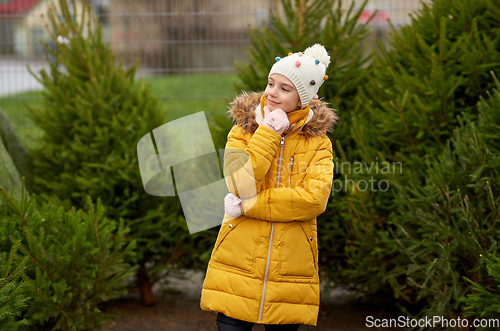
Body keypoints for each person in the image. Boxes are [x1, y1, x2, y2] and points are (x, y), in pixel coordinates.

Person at [200, 44, 338, 330]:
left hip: (290, 268)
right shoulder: (244, 129)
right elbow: (240, 184)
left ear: (304, 98)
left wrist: (249, 206)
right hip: (238, 258)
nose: (272, 92)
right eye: (271, 83)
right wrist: (267, 133)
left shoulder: (318, 143)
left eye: (285, 88)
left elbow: (313, 200)